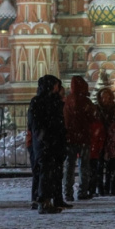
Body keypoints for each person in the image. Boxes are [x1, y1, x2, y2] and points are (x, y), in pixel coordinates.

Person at [27, 75, 67, 214]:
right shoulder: (39, 102)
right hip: (46, 142)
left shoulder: (54, 101)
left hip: (54, 141)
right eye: (55, 85)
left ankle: (48, 200)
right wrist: (44, 137)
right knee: (45, 172)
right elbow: (35, 123)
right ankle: (43, 201)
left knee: (52, 172)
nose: (57, 88)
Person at [63, 76, 96, 201]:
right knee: (84, 166)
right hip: (83, 137)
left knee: (69, 166)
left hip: (70, 138)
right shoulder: (85, 101)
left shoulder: (68, 100)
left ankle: (68, 192)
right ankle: (82, 191)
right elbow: (92, 117)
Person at [93, 87, 115, 196]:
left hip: (111, 139)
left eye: (107, 97)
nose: (105, 99)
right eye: (103, 97)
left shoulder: (114, 109)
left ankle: (108, 187)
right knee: (99, 165)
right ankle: (100, 189)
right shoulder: (97, 109)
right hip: (100, 139)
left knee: (110, 166)